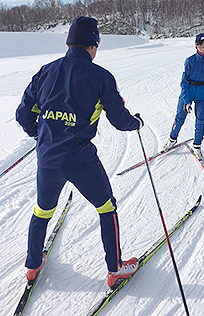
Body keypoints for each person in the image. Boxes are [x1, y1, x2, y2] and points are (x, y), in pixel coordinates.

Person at [16, 16, 143, 288]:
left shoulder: (45, 71)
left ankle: (33, 263)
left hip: (48, 159)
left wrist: (39, 134)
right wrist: (137, 123)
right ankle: (115, 268)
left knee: (42, 211)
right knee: (107, 208)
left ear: (68, 42)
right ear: (93, 45)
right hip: (81, 160)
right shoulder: (101, 76)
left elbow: (23, 114)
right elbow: (120, 120)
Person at [162, 33, 204, 159]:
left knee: (200, 120)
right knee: (180, 117)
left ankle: (197, 145)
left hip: (202, 93)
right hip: (188, 91)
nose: (203, 48)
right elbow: (184, 81)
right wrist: (186, 100)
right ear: (196, 46)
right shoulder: (190, 60)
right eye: (200, 45)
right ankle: (172, 139)